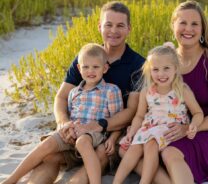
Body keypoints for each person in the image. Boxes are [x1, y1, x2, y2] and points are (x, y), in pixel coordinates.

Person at [24, 1, 145, 184]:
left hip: (113, 132)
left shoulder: (137, 64)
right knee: (50, 157)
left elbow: (131, 111)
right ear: (99, 26)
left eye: (120, 25)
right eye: (108, 24)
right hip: (78, 126)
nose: (114, 30)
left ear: (129, 28)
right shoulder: (87, 56)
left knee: (100, 154)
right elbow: (62, 96)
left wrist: (99, 125)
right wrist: (63, 123)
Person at [120, 0, 208, 184]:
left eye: (194, 24)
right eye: (182, 22)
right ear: (173, 25)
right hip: (167, 124)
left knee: (169, 152)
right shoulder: (165, 61)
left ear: (202, 29)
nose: (188, 29)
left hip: (206, 129)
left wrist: (188, 128)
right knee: (126, 149)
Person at [2, 43, 123, 184]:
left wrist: (113, 138)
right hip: (73, 132)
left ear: (105, 68)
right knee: (47, 144)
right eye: (86, 67)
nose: (90, 71)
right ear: (79, 68)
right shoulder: (74, 92)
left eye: (96, 67)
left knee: (83, 141)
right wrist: (67, 127)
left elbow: (117, 120)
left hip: (93, 134)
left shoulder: (111, 90)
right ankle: (11, 179)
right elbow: (71, 115)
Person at [113, 45, 204, 184]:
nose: (161, 74)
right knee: (133, 149)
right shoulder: (146, 91)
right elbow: (139, 116)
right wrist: (131, 133)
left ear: (175, 68)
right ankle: (116, 181)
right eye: (155, 69)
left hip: (170, 129)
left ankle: (145, 181)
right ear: (149, 71)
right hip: (149, 127)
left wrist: (193, 125)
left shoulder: (182, 90)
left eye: (166, 68)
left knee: (150, 143)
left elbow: (198, 113)